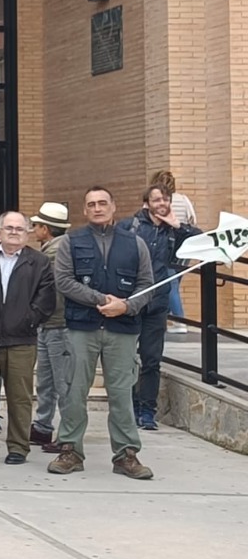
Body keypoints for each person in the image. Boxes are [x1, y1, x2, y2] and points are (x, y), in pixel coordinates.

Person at [52, 187, 155, 479]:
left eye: (102, 203)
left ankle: (126, 455)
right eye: (91, 204)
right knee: (74, 391)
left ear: (113, 206)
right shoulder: (70, 242)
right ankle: (70, 450)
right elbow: (64, 281)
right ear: (84, 211)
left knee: (122, 394)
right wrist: (102, 301)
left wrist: (126, 306)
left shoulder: (135, 244)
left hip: (122, 330)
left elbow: (147, 284)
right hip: (81, 328)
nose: (97, 208)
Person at [0, 211, 55, 465]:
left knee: (19, 397)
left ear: (27, 232)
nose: (14, 232)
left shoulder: (39, 262)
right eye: (9, 227)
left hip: (21, 341)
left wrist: (28, 321)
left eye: (19, 228)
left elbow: (46, 300)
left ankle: (18, 446)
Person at [122, 183, 200, 431]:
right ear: (147, 204)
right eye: (156, 200)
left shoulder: (174, 231)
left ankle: (147, 411)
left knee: (151, 359)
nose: (162, 204)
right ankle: (131, 406)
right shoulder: (130, 226)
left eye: (165, 199)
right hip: (132, 302)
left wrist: (179, 226)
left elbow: (202, 241)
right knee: (127, 359)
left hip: (157, 304)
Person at [27, 203, 73, 451]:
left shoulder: (56, 254)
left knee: (61, 382)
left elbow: (51, 293)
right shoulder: (53, 250)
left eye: (36, 226)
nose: (34, 230)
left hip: (58, 324)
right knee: (46, 380)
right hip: (49, 324)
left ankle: (66, 433)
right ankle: (43, 427)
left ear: (46, 228)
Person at [150, 169, 198, 321]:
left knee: (169, 284)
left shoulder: (155, 200)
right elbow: (193, 220)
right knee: (174, 283)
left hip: (165, 246)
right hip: (184, 246)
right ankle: (170, 317)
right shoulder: (184, 199)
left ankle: (178, 320)